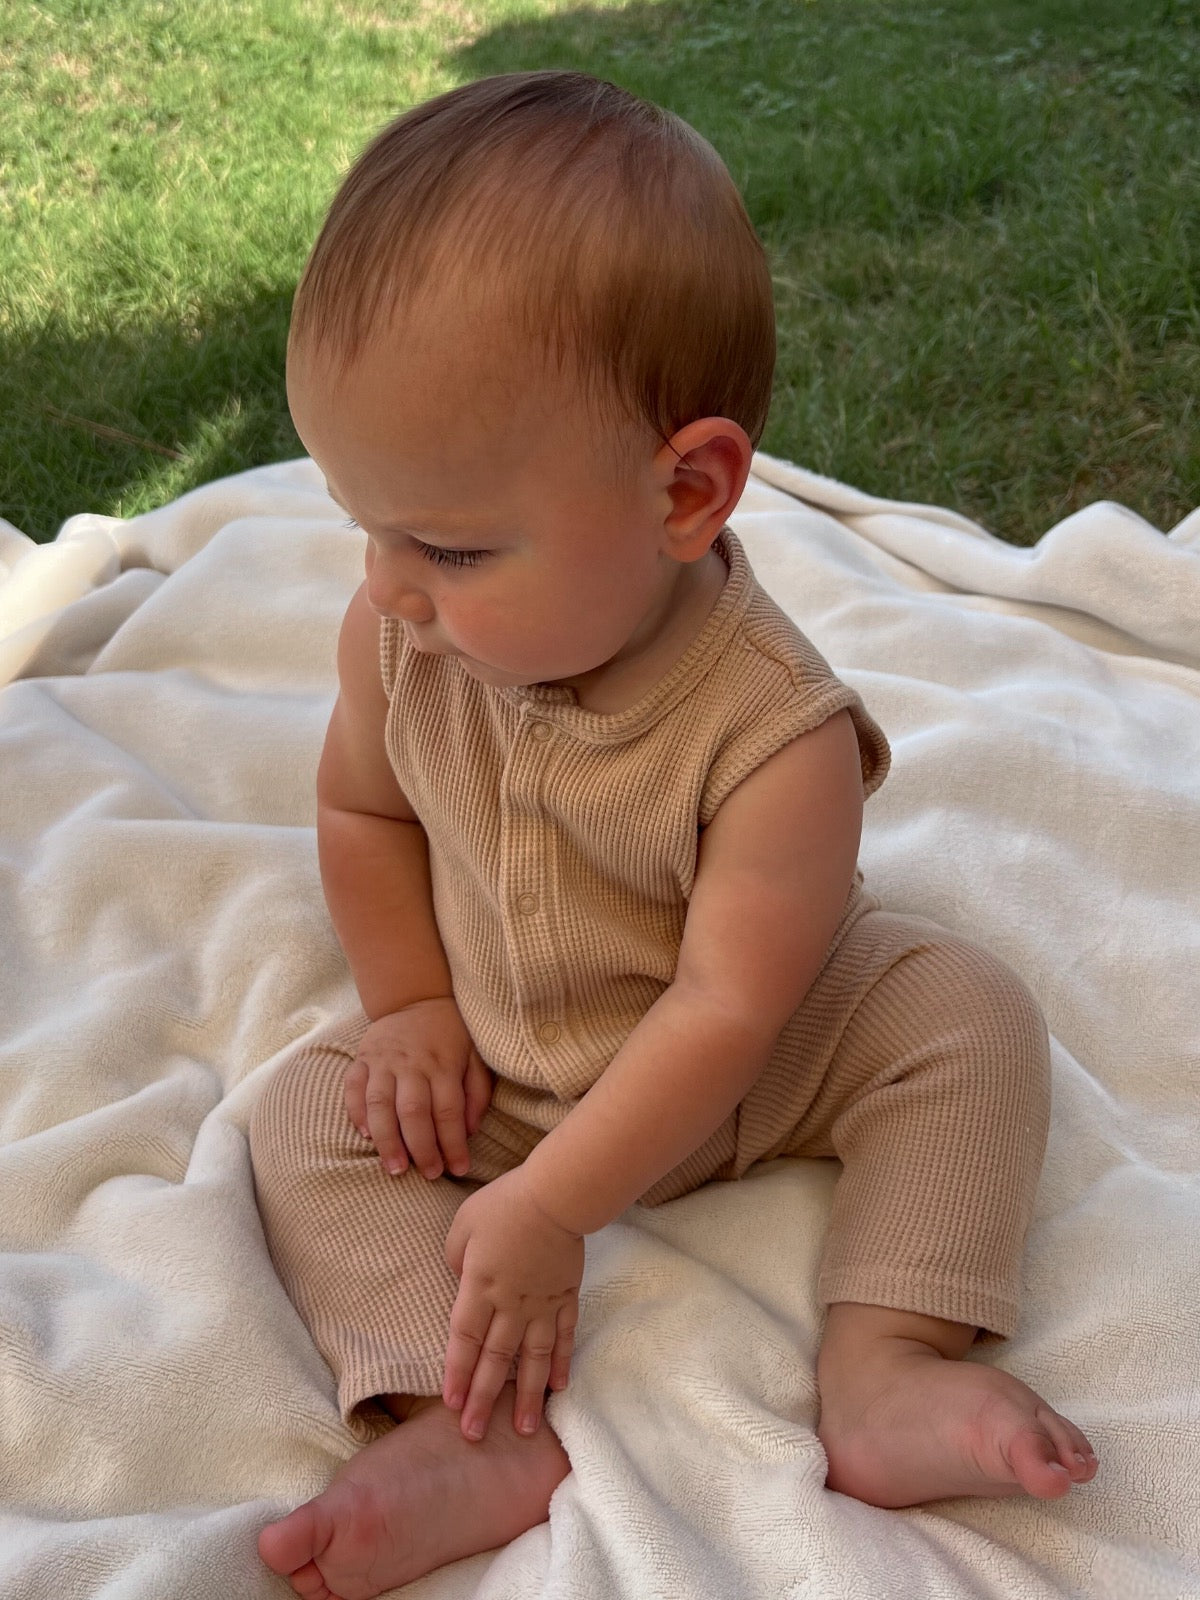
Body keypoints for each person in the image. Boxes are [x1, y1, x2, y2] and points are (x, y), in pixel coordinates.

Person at [249, 68, 1097, 1598]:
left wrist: (555, 1206)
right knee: (305, 1116)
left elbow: (730, 1004)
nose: (390, 585)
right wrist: (413, 1008)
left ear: (686, 492)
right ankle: (460, 1417)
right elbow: (357, 806)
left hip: (755, 1062)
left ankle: (888, 1359)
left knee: (969, 1018)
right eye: (360, 522)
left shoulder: (775, 733)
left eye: (445, 542)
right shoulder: (401, 644)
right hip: (510, 1061)